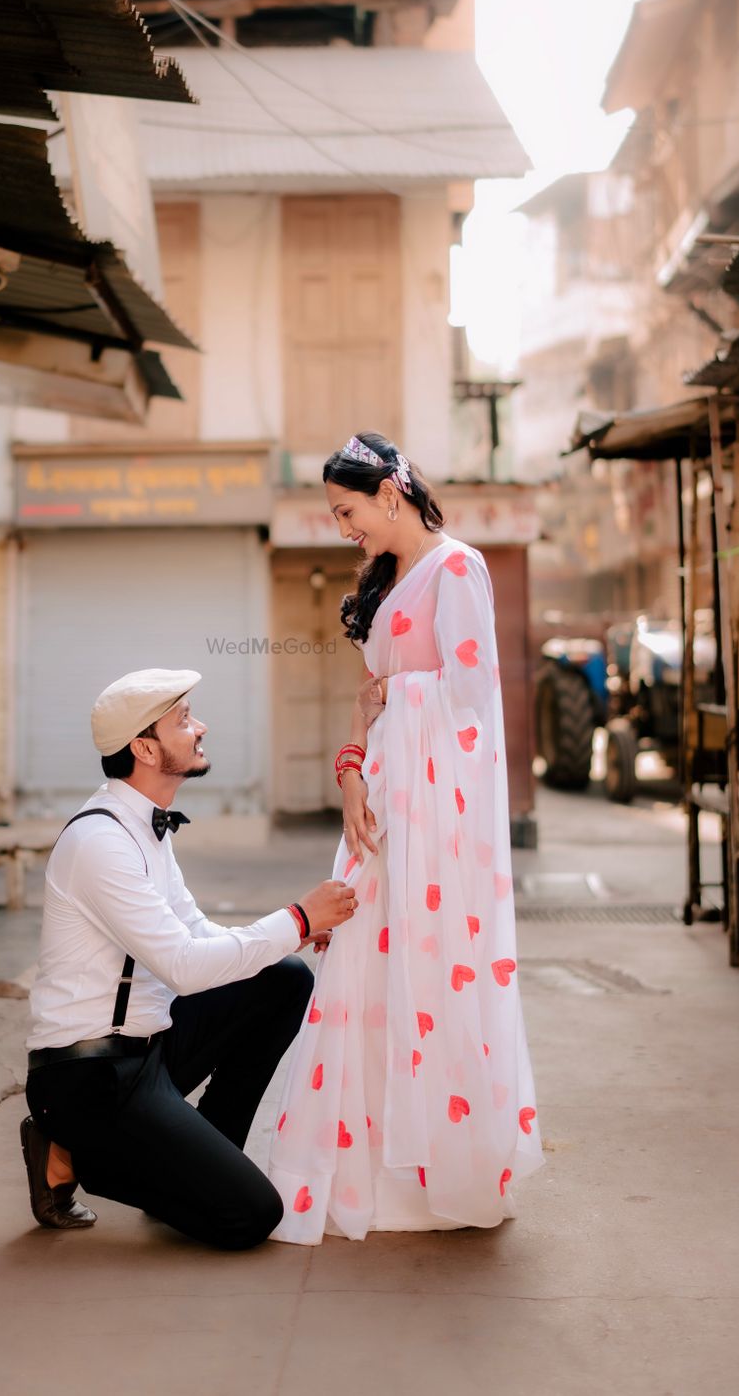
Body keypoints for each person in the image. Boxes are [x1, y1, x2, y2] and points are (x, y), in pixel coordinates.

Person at [268, 432, 544, 1243]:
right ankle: (363, 1167)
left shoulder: (456, 569)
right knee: (365, 967)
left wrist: (393, 713)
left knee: (423, 973)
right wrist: (352, 769)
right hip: (381, 806)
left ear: (390, 494)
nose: (341, 526)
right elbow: (370, 703)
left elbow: (470, 707)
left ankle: (432, 1177)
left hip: (431, 822)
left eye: (346, 510)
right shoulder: (388, 581)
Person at [20, 667, 357, 1251]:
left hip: (151, 1050)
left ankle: (197, 1156)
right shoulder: (100, 842)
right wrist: (297, 918)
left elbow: (195, 933)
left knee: (279, 979)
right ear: (145, 748)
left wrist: (292, 938)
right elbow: (183, 964)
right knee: (249, 1217)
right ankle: (65, 1154)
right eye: (183, 720)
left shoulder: (147, 829)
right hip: (92, 1077)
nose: (200, 727)